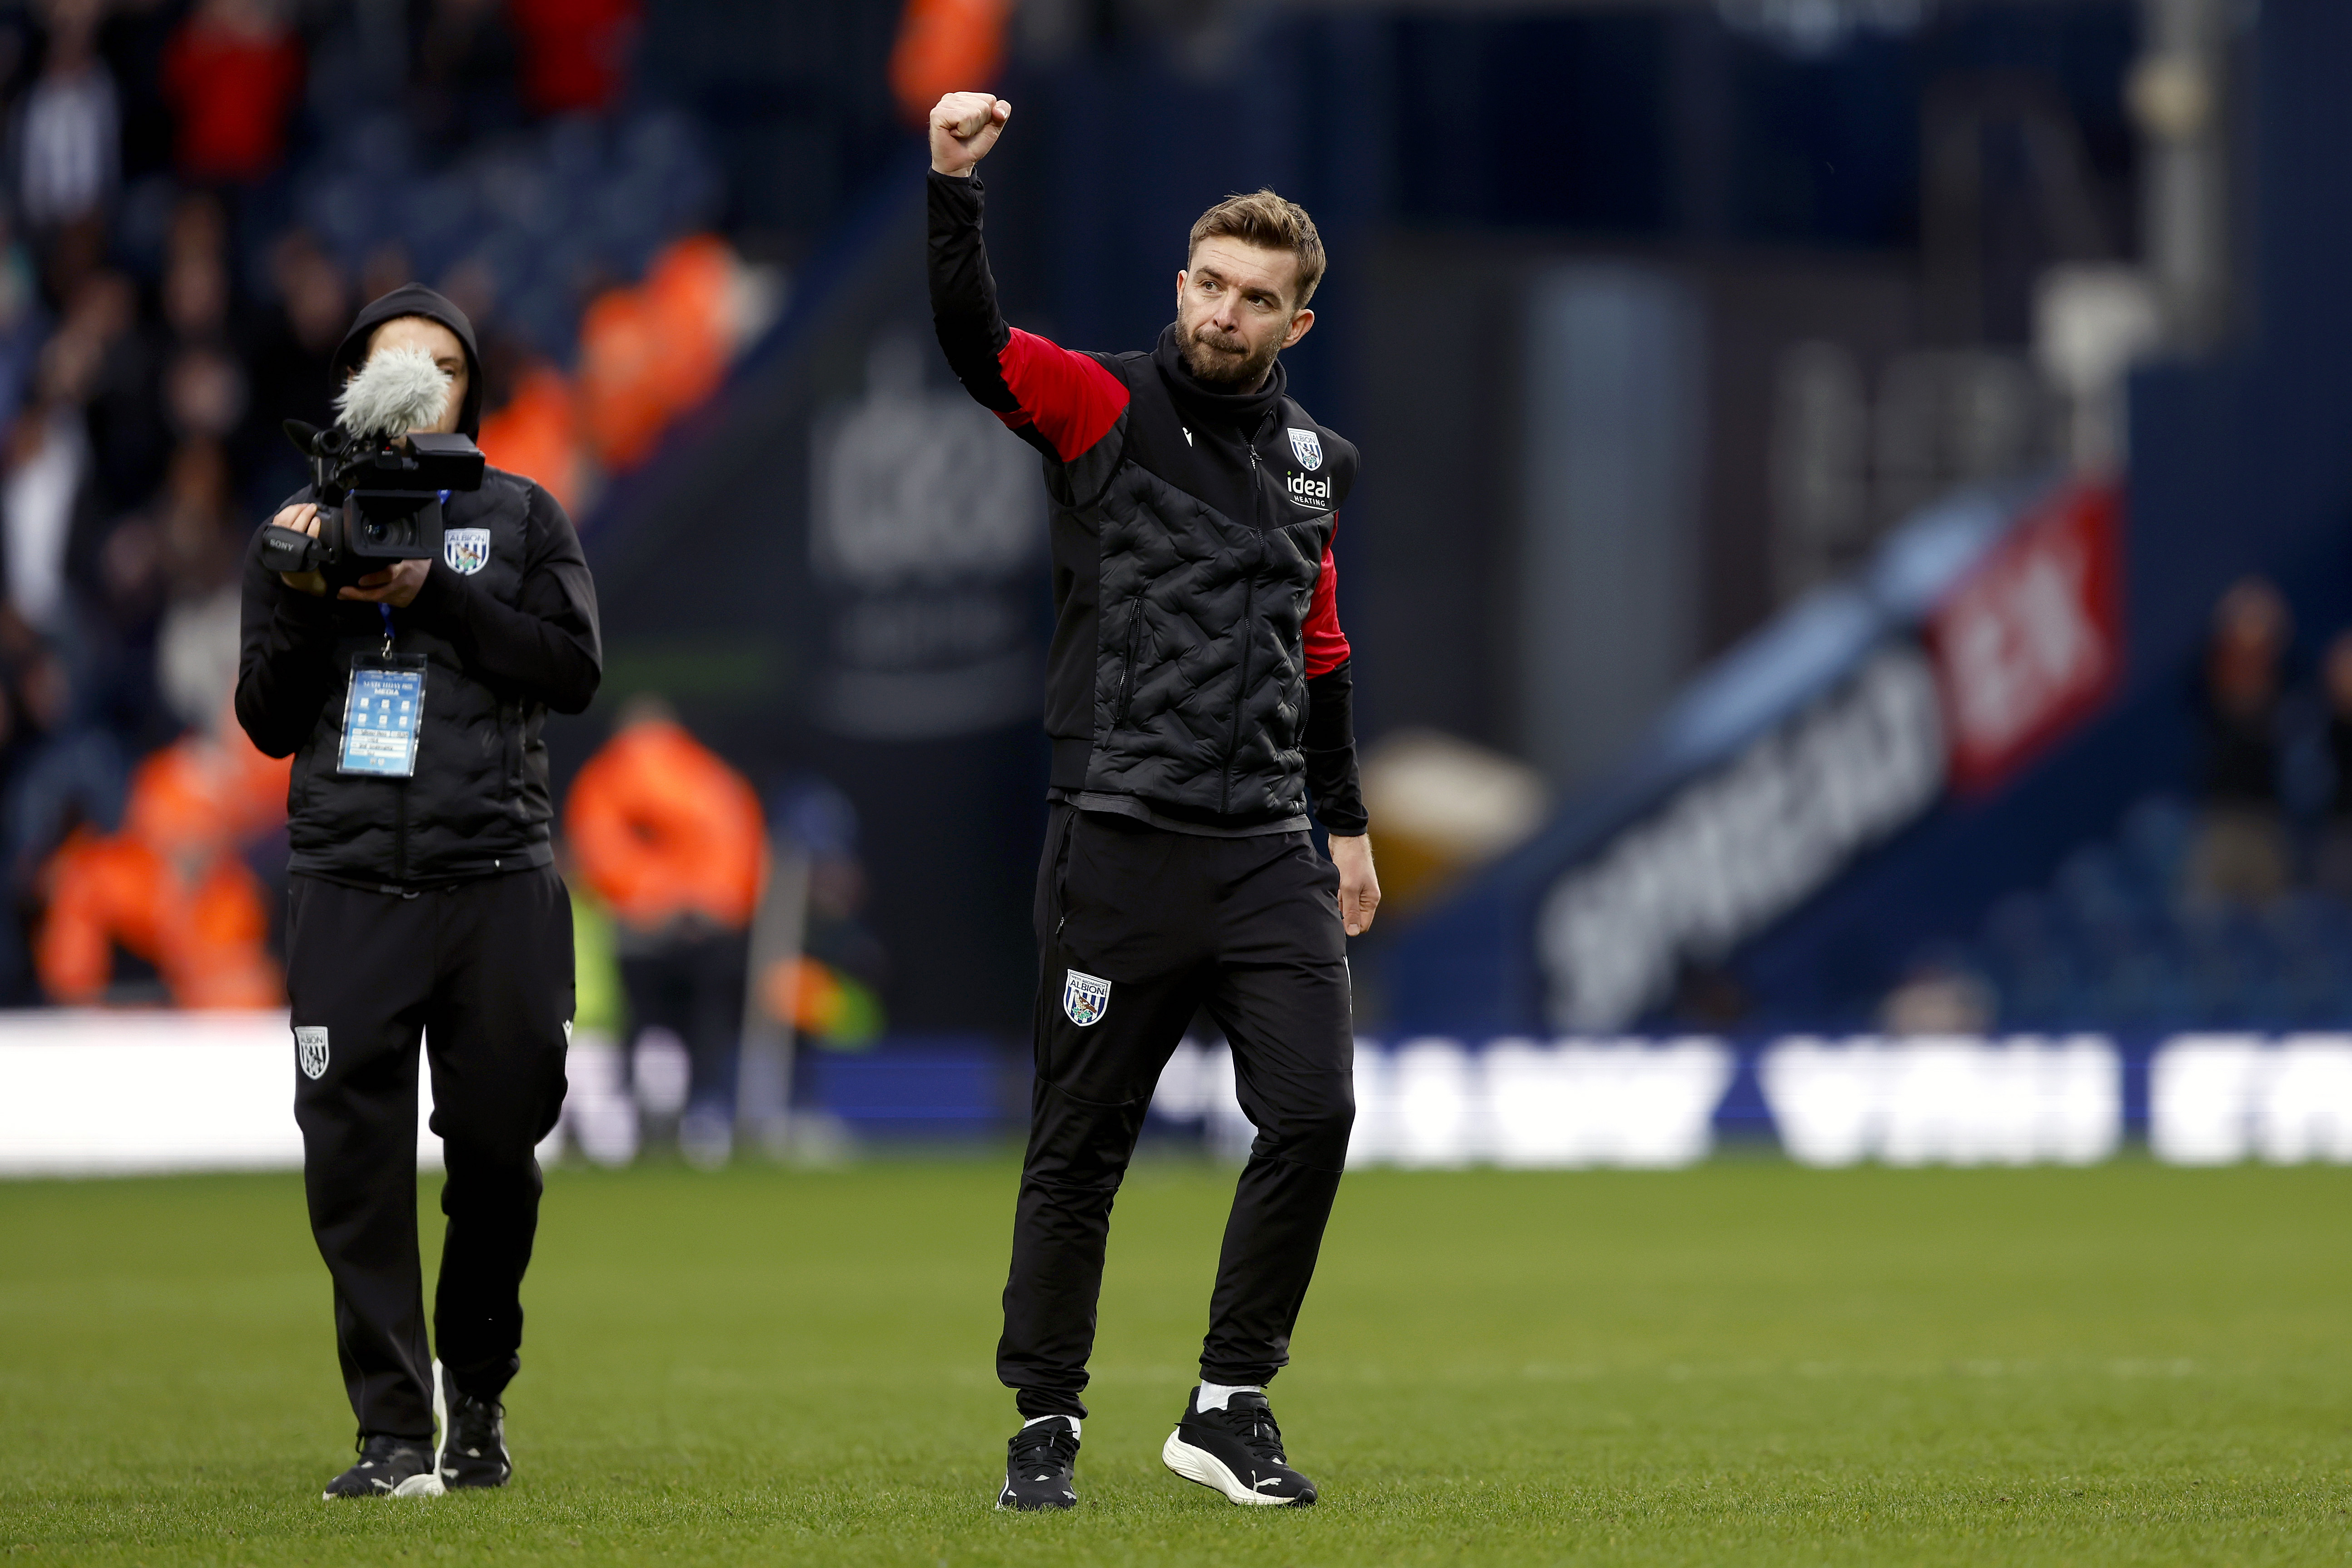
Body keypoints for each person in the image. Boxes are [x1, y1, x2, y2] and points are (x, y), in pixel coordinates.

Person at [927, 91, 1381, 1511]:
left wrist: (1346, 827)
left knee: (1313, 1110)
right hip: (1116, 840)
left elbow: (1319, 654)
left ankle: (1228, 1403)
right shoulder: (1103, 404)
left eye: (1256, 297)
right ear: (1180, 283)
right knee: (1079, 1148)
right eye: (1209, 284)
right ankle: (1045, 1421)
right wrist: (953, 187)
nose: (1225, 312)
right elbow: (975, 345)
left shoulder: (1316, 465)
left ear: (1297, 322)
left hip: (1264, 850)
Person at [234, 284, 599, 1499]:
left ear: (471, 393)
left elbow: (574, 668)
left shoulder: (524, 515)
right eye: (400, 362)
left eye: (447, 366)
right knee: (353, 1164)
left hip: (494, 876)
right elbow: (266, 720)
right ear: (353, 385)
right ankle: (392, 1430)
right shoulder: (299, 528)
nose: (423, 382)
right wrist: (306, 600)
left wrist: (432, 594)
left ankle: (476, 1389)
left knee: (498, 1148)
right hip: (347, 881)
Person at [564, 696, 766, 1165]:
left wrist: (654, 900)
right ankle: (703, 1119)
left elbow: (598, 847)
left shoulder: (607, 775)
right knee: (703, 1028)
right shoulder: (711, 775)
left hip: (642, 928)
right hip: (705, 926)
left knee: (639, 1027)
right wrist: (705, 906)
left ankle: (634, 1123)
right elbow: (739, 848)